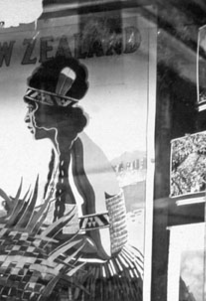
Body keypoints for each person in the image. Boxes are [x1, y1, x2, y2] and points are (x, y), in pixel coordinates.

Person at [23, 56, 128, 263]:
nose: (27, 118)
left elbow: (103, 247)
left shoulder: (82, 158)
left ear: (52, 112)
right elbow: (61, 225)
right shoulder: (63, 150)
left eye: (32, 108)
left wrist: (42, 248)